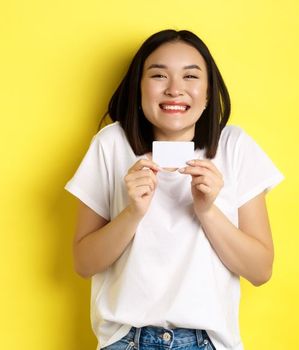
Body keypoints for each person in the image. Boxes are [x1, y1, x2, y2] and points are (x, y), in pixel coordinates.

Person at [64, 29, 284, 350]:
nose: (175, 90)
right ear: (139, 89)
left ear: (208, 93)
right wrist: (132, 213)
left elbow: (260, 270)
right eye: (158, 75)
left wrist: (207, 211)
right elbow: (83, 264)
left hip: (207, 342)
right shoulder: (111, 144)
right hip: (127, 341)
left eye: (191, 76)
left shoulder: (234, 146)